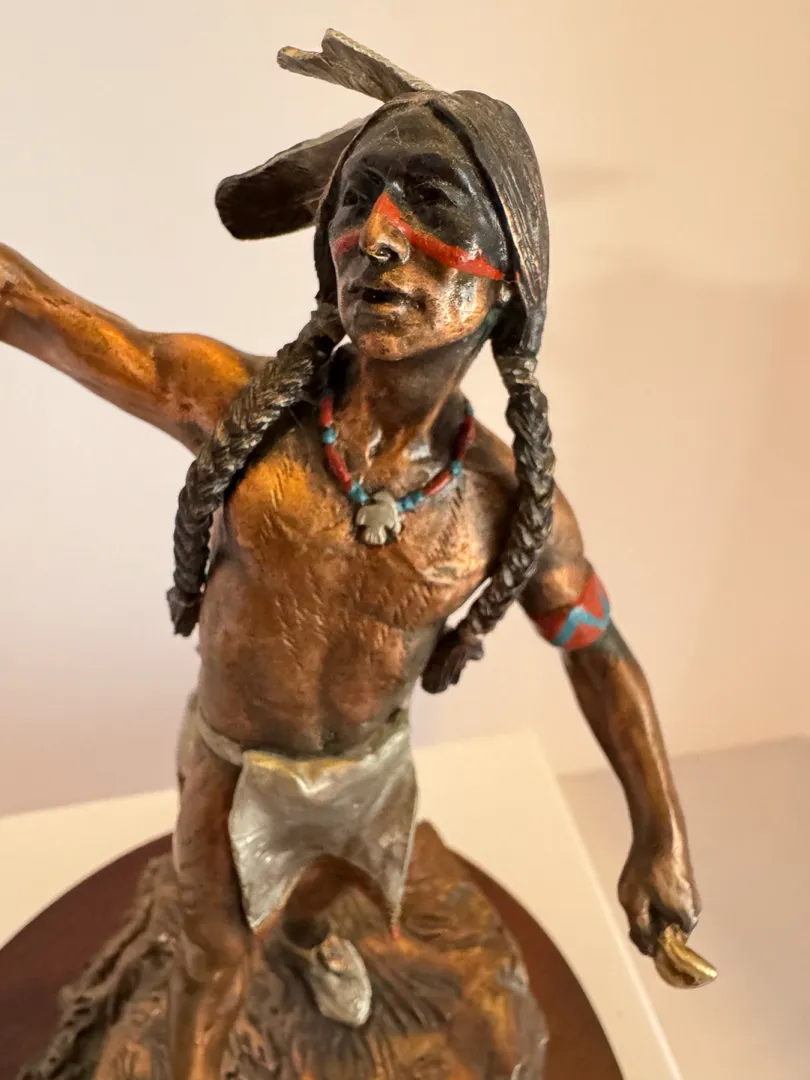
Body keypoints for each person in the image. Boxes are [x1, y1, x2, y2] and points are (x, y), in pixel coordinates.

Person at [0, 30, 702, 1080]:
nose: (378, 235)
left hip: (371, 780)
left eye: (432, 202)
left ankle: (314, 936)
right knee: (211, 966)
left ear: (511, 282)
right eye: (360, 197)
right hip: (231, 775)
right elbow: (41, 312)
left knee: (349, 920)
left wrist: (659, 833)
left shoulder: (507, 504)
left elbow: (596, 648)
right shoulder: (231, 407)